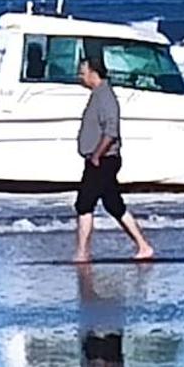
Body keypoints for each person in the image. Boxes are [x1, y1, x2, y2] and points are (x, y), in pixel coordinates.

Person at [74, 55, 155, 262]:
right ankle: (144, 247)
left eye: (82, 73)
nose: (80, 77)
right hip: (99, 158)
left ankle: (83, 253)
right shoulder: (97, 95)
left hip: (103, 159)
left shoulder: (105, 97)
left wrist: (96, 156)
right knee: (113, 204)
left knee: (84, 204)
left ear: (93, 72)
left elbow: (112, 131)